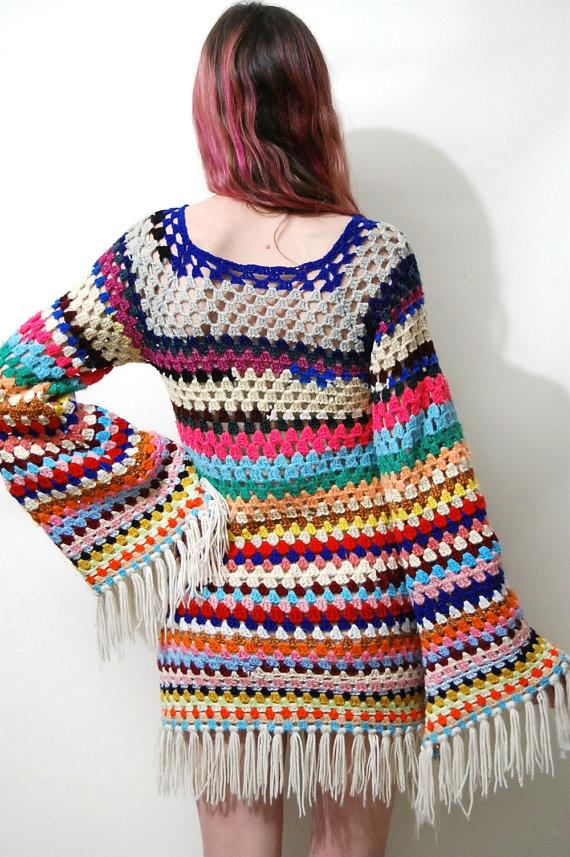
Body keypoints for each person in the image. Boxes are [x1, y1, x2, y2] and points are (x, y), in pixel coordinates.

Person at [1, 3, 568, 857]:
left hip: (217, 614)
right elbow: (422, 463)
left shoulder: (153, 258)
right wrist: (479, 627)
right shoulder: (372, 258)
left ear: (211, 109)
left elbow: (12, 387)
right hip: (357, 613)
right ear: (311, 105)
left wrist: (171, 508)